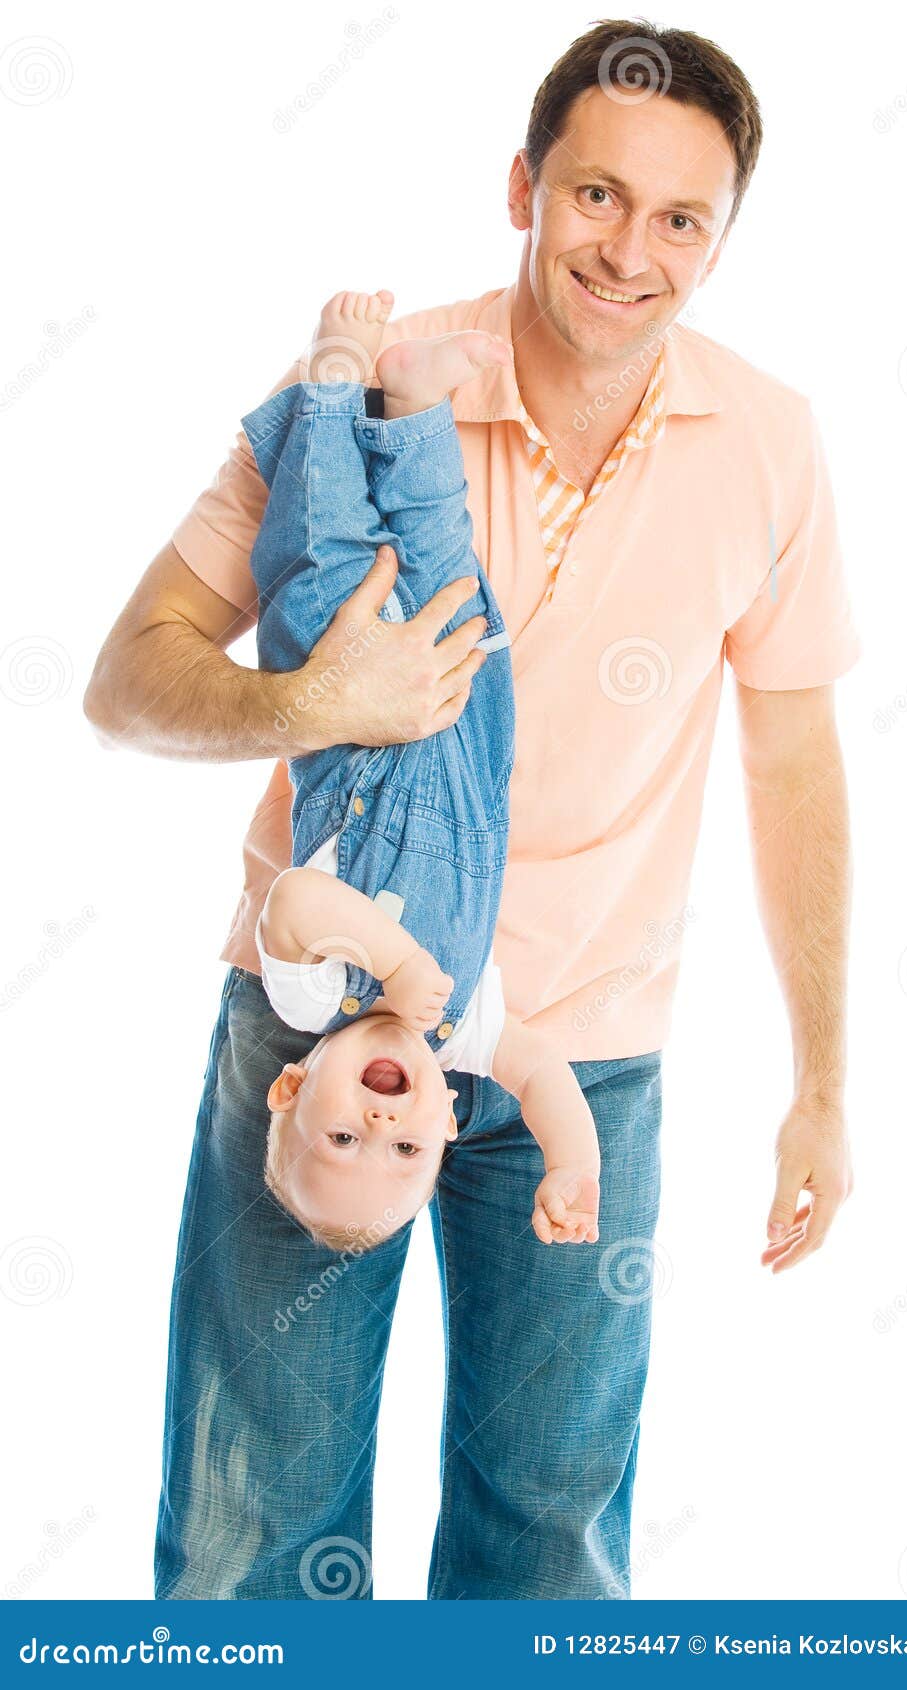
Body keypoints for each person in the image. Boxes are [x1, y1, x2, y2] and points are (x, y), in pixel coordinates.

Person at [85, 20, 860, 1600]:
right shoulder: (367, 399)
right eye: (594, 194)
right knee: (254, 1525)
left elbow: (795, 765)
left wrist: (825, 1084)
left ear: (720, 244)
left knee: (551, 1541)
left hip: (590, 1042)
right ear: (523, 185)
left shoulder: (770, 442)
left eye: (680, 220)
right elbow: (126, 678)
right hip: (319, 1040)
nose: (628, 250)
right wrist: (305, 710)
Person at [246, 289, 599, 1250]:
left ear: (293, 1085)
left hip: (344, 693)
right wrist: (573, 1164)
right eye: (403, 1152)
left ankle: (335, 377)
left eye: (340, 1135)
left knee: (323, 550)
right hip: (464, 733)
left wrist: (396, 964)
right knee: (449, 568)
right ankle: (411, 412)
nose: (382, 1125)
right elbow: (542, 1075)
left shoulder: (312, 1000)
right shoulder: (466, 1033)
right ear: (448, 1120)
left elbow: (296, 909)